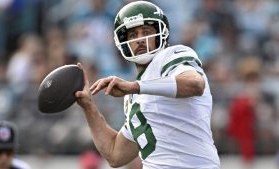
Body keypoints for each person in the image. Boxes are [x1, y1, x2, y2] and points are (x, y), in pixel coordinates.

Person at [75, 1, 220, 168]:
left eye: (146, 32)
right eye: (133, 35)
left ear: (161, 33)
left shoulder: (172, 55)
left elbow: (195, 84)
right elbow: (115, 154)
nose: (140, 40)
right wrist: (88, 106)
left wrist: (136, 86)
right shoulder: (132, 95)